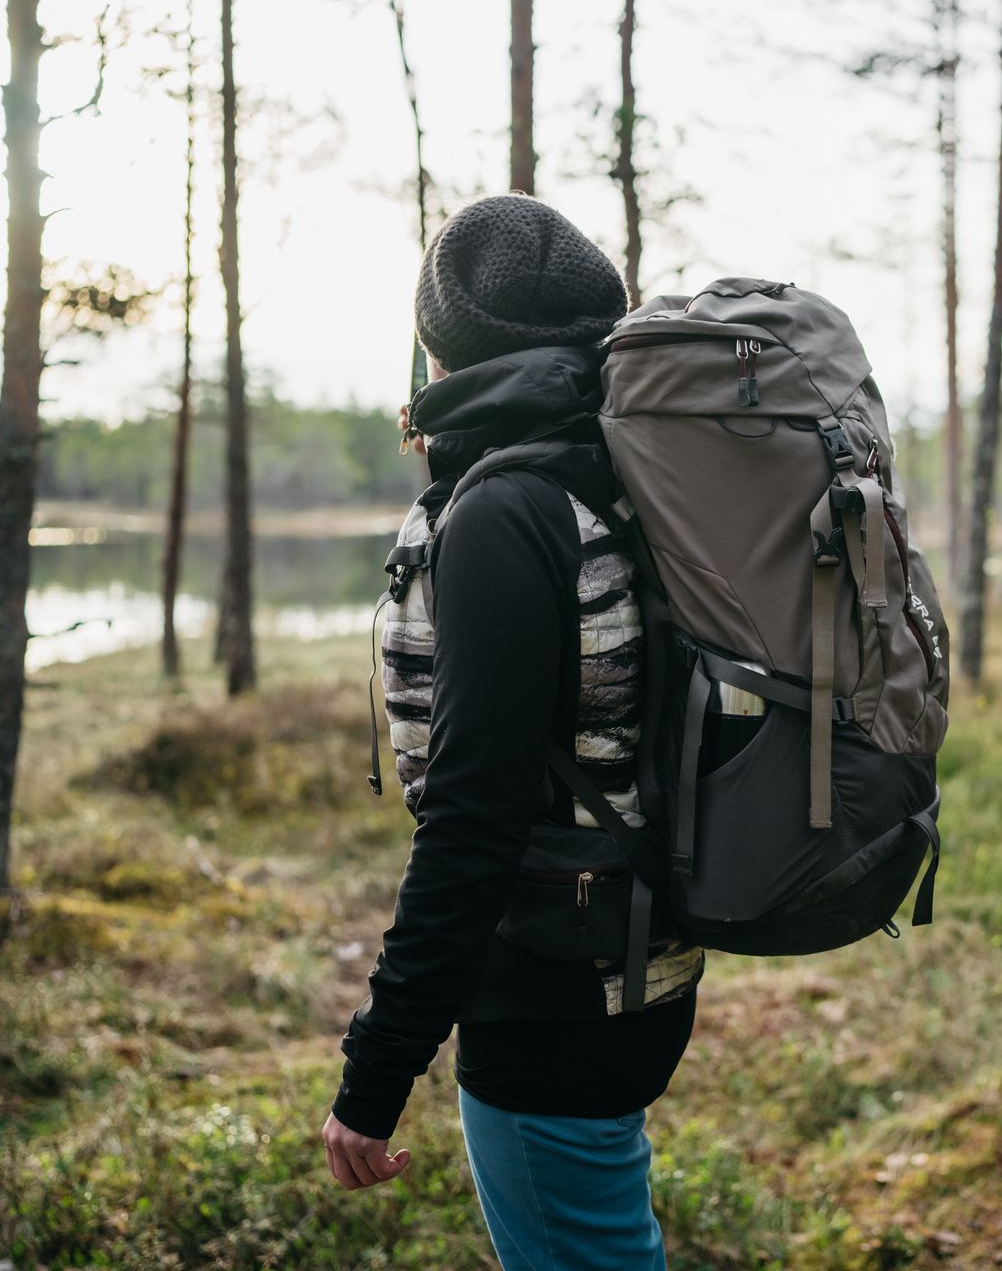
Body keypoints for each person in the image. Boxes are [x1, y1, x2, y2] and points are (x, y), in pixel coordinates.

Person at [323, 194, 703, 1270]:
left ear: (441, 347)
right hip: (638, 960)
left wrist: (375, 1070)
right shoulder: (619, 471)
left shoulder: (505, 513)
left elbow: (474, 820)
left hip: (553, 995)